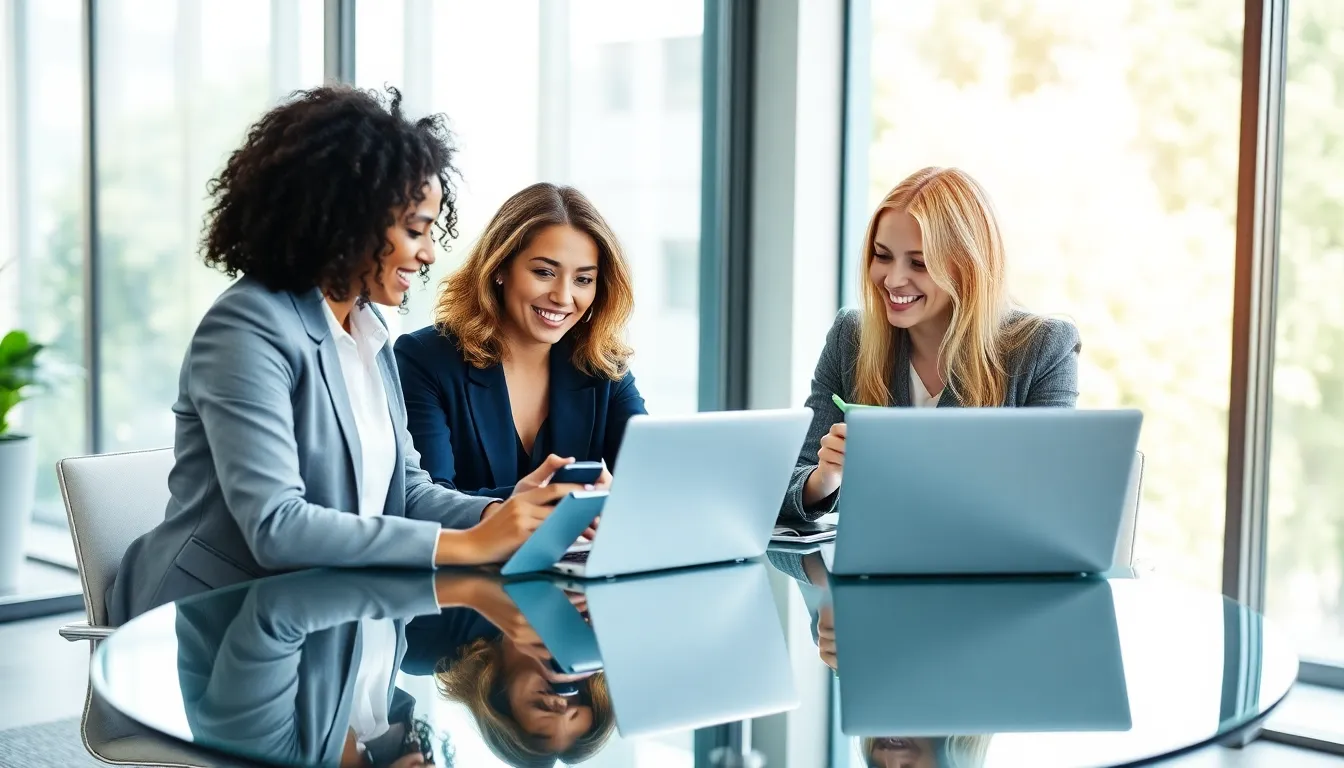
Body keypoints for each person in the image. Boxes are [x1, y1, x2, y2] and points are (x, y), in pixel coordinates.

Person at [106, 86, 581, 626]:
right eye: (414, 229)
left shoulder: (367, 329)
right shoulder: (245, 328)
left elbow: (404, 490)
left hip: (327, 617)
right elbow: (277, 527)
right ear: (348, 218)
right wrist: (470, 545)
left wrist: (501, 516)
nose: (428, 252)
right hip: (216, 628)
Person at [780, 166, 1081, 522]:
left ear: (967, 267)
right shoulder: (852, 337)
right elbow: (785, 487)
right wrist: (824, 478)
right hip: (874, 569)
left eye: (919, 263)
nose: (893, 279)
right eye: (883, 256)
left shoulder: (1043, 347)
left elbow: (1052, 500)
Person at [395, 183, 644, 499]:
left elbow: (648, 476)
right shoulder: (424, 359)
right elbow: (423, 501)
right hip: (473, 549)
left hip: (577, 549)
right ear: (500, 267)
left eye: (583, 279)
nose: (563, 297)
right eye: (543, 272)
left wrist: (618, 495)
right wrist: (521, 502)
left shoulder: (603, 367)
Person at [402, 575, 615, 766]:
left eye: (542, 705)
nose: (559, 699)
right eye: (573, 701)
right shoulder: (585, 608)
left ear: (501, 705)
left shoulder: (424, 647)